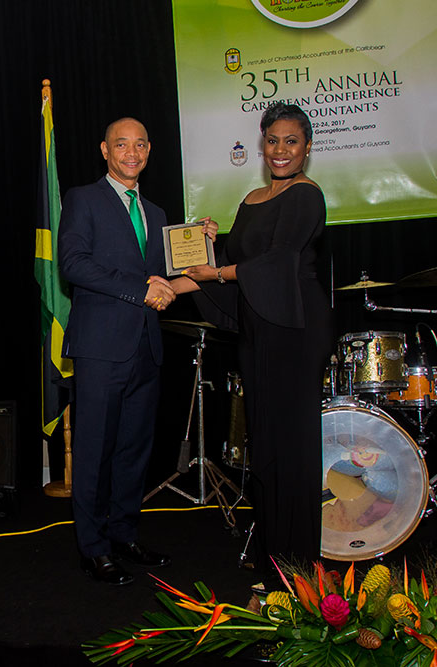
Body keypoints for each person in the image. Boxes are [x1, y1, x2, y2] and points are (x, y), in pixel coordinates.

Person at [173, 103, 333, 572]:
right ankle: (271, 561)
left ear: (307, 147)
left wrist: (218, 271)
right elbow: (225, 265)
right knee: (263, 445)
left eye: (291, 141)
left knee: (291, 446)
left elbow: (276, 262)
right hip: (258, 329)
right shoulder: (251, 199)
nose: (281, 150)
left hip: (294, 329)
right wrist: (168, 285)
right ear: (262, 144)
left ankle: (297, 566)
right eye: (273, 140)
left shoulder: (306, 195)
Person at [59, 117, 186, 585]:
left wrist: (200, 244)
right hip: (100, 348)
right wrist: (139, 290)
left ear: (149, 151)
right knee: (95, 450)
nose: (131, 153)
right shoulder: (83, 199)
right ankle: (92, 548)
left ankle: (124, 534)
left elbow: (166, 276)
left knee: (134, 450)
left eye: (139, 145)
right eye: (121, 145)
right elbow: (73, 264)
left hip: (146, 347)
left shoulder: (156, 211)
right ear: (105, 150)